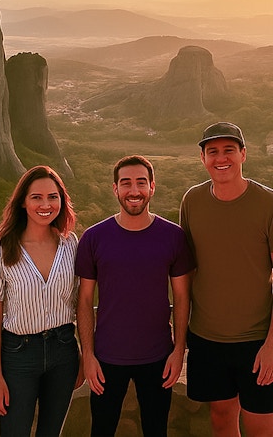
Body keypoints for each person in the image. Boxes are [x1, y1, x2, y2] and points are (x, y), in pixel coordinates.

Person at [76, 155, 194, 437]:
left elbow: (182, 298)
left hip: (158, 356)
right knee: (101, 430)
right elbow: (83, 301)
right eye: (126, 183)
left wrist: (179, 351)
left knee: (156, 430)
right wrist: (88, 356)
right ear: (115, 189)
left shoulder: (173, 236)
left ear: (152, 187)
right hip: (106, 357)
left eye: (141, 182)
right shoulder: (94, 238)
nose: (134, 190)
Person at [180, 121, 273, 437]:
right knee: (220, 419)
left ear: (243, 154)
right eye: (213, 151)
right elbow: (186, 269)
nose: (221, 158)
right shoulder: (192, 200)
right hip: (207, 339)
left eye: (229, 150)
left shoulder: (268, 203)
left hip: (258, 339)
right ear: (203, 159)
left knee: (261, 424)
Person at [0, 165, 81, 437]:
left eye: (53, 196)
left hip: (63, 351)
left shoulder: (71, 244)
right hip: (18, 356)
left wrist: (83, 354)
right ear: (23, 202)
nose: (45, 204)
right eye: (36, 197)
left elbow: (79, 304)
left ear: (62, 200)